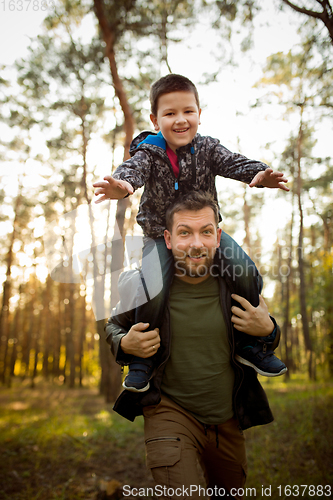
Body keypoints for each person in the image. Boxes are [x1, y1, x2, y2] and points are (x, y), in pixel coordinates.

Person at [94, 74, 288, 391]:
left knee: (244, 269)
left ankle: (249, 344)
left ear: (199, 113)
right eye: (170, 114)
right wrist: (123, 185)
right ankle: (143, 358)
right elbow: (132, 170)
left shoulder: (207, 148)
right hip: (161, 236)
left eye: (188, 111)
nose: (181, 120)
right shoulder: (149, 152)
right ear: (156, 119)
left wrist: (258, 173)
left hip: (205, 232)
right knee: (152, 285)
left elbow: (233, 162)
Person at [105, 191, 281, 500]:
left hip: (227, 419)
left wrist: (269, 329)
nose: (196, 244)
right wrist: (125, 343)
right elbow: (113, 328)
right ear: (168, 239)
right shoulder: (146, 287)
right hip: (169, 413)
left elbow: (264, 332)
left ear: (218, 236)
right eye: (185, 232)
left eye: (206, 232)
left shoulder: (234, 284)